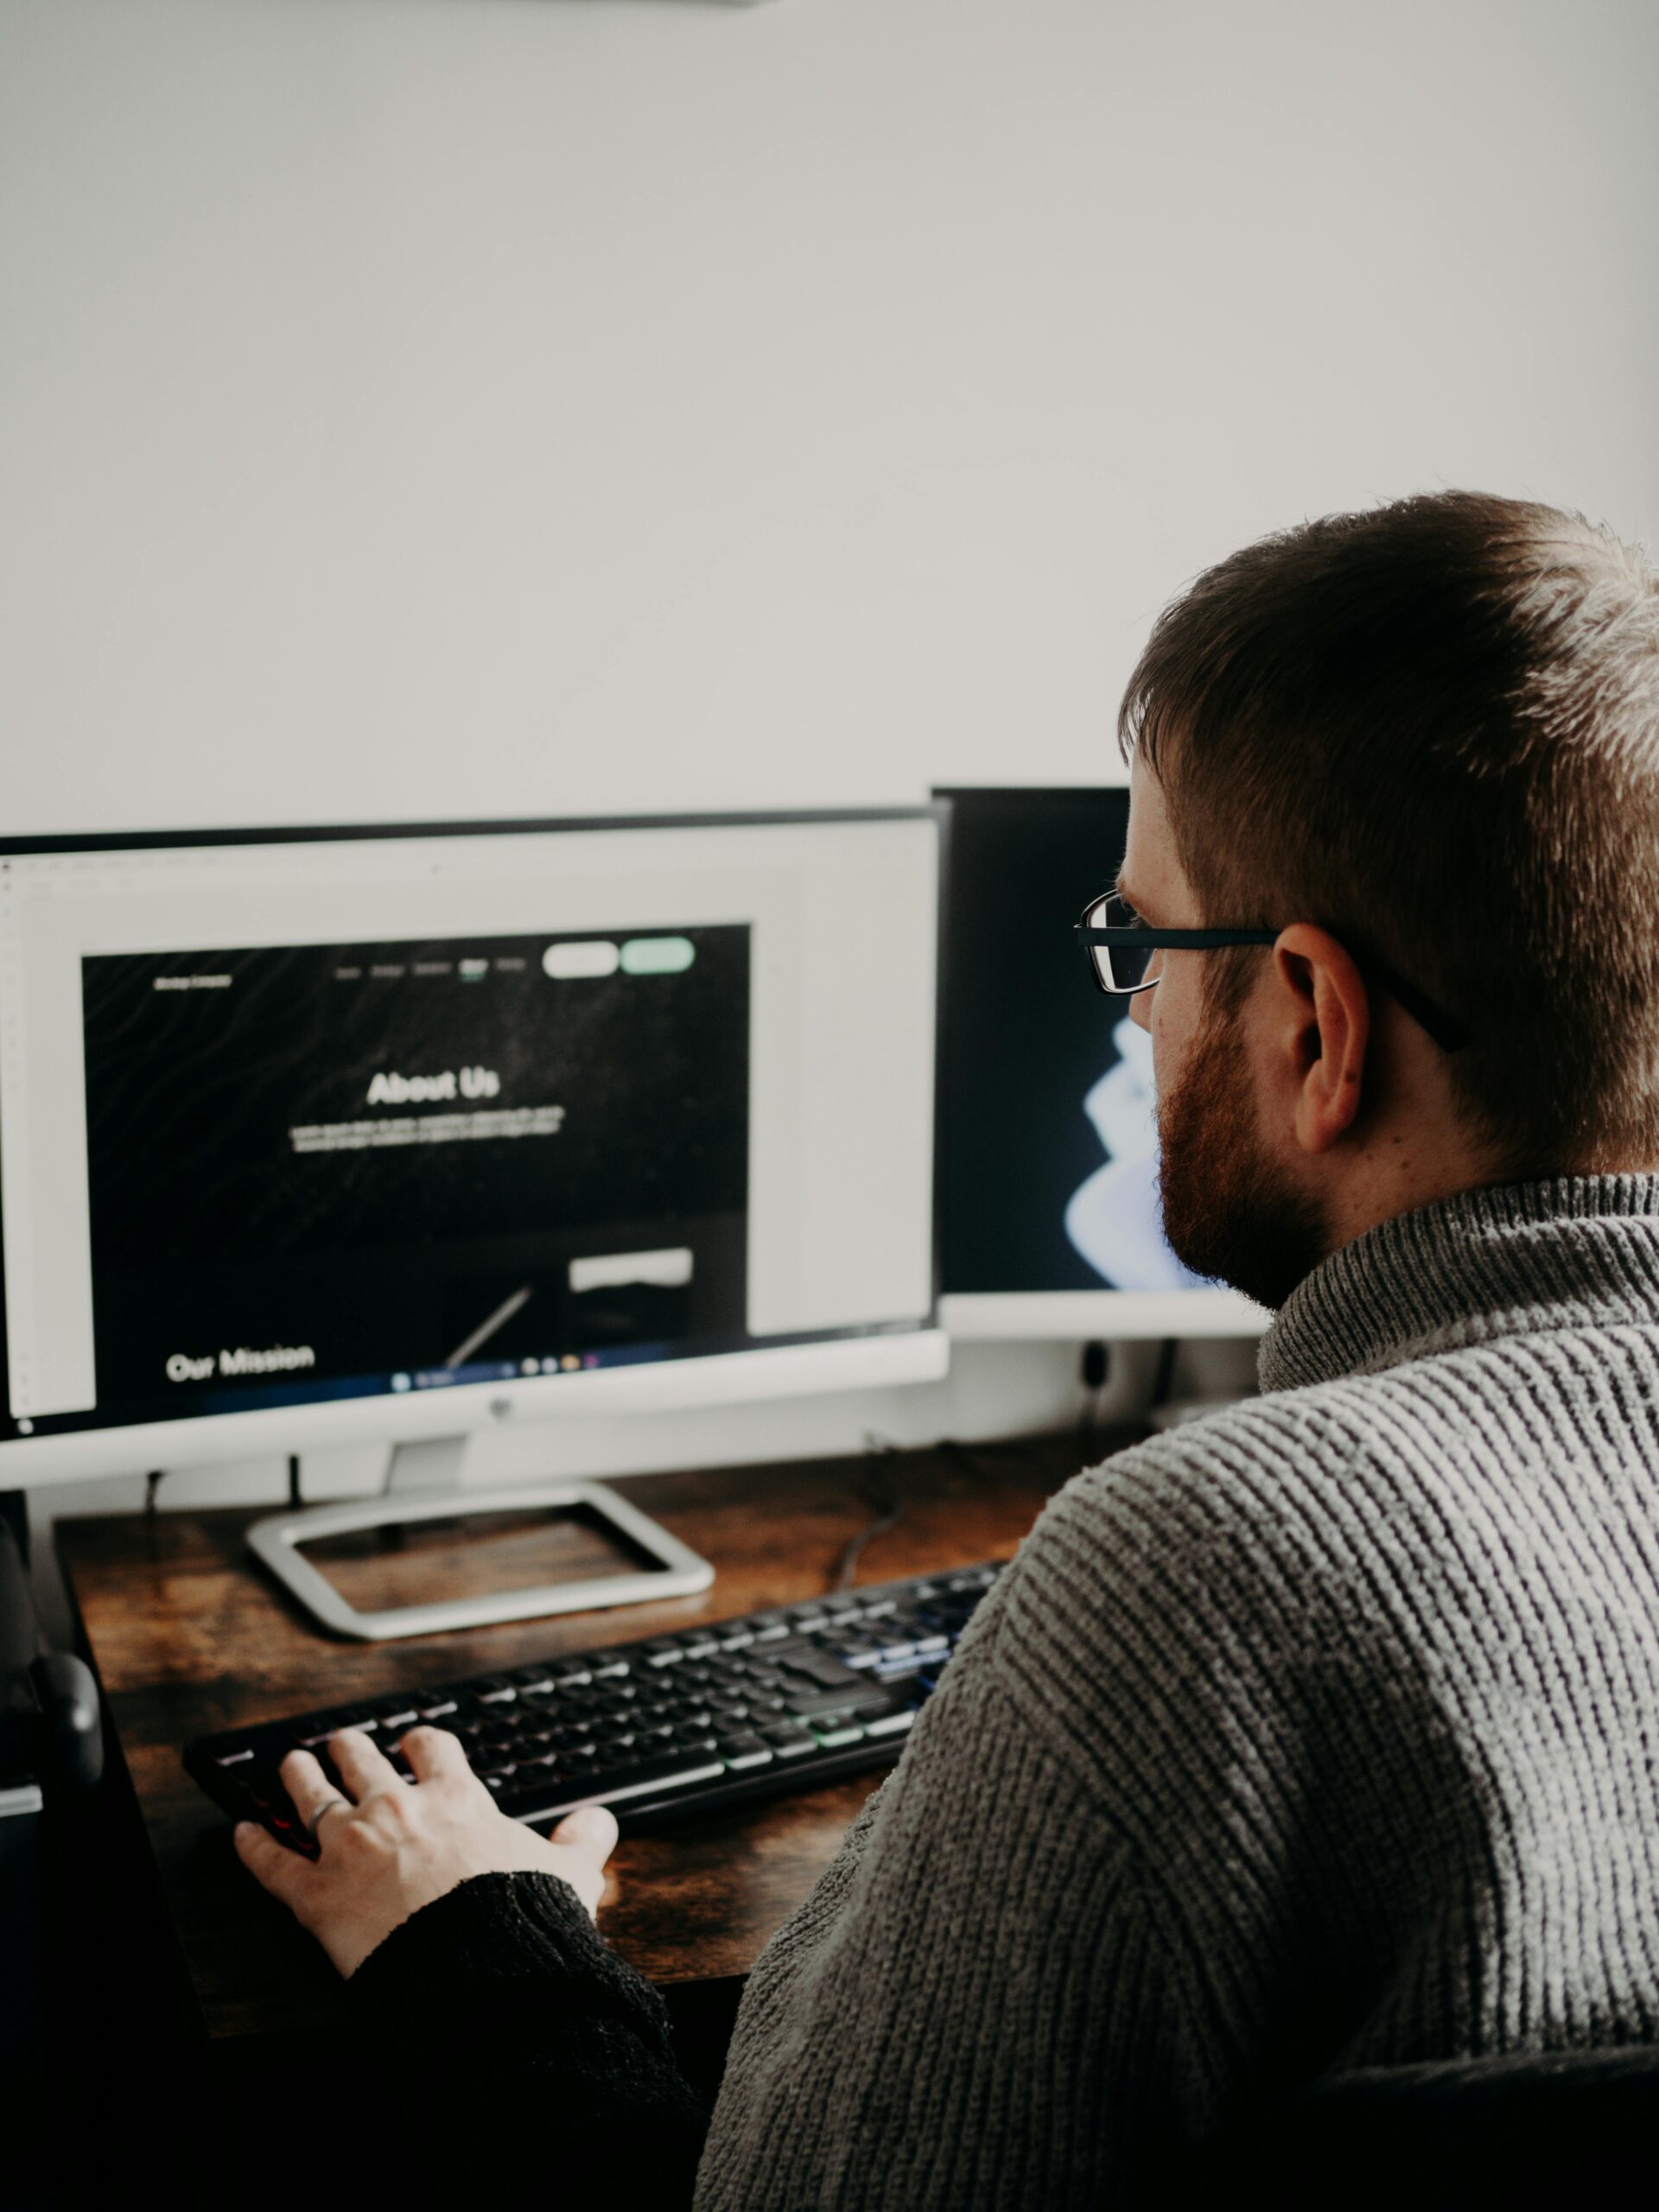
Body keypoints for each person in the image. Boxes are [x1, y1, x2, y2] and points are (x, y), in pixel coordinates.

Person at [238, 490, 1659, 2206]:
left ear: (1315, 1021)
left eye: (1146, 945)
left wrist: (479, 1936)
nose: (1133, 1009)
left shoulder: (1202, 1567)